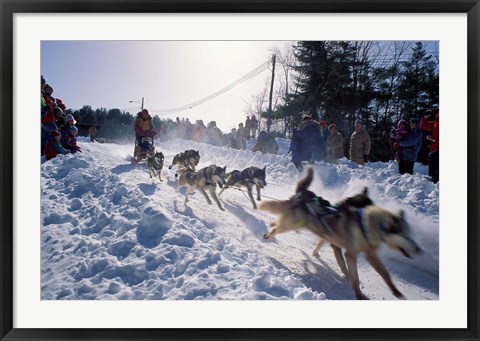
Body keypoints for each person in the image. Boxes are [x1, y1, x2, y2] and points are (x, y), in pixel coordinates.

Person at [420, 109, 439, 183]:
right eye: (435, 114)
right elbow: (423, 126)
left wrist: (433, 140)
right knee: (432, 159)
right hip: (435, 147)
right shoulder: (435, 123)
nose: (435, 115)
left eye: (437, 113)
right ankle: (434, 178)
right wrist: (425, 117)